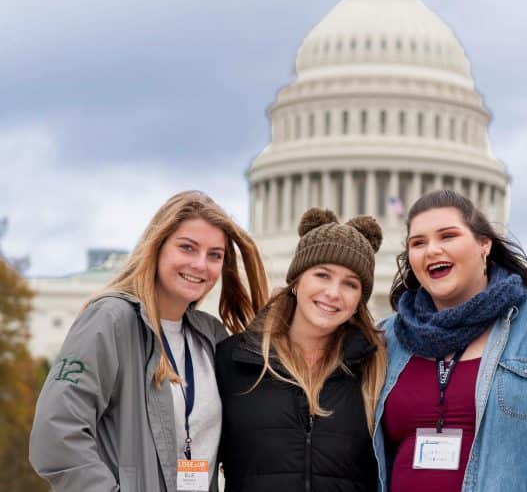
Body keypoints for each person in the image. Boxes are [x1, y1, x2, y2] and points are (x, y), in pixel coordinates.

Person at [29, 190, 269, 492]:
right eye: (187, 248)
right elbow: (56, 434)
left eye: (214, 255)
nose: (200, 264)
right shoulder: (111, 319)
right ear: (157, 247)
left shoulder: (210, 336)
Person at [373, 189, 527, 492]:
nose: (431, 250)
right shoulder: (388, 339)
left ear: (484, 244)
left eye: (447, 236)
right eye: (418, 243)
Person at [215, 207, 387, 492]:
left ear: (360, 299)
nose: (333, 292)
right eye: (322, 275)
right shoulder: (232, 360)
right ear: (296, 281)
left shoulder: (376, 367)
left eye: (350, 284)